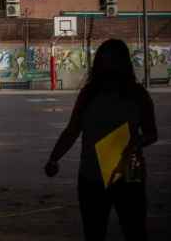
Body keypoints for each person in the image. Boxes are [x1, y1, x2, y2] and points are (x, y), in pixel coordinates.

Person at [44, 39, 158, 241]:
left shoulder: (138, 94)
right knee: (95, 232)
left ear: (123, 63)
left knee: (134, 231)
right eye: (106, 60)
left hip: (128, 174)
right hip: (92, 175)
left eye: (114, 60)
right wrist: (54, 158)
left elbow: (151, 133)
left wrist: (136, 143)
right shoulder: (88, 94)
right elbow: (72, 130)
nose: (110, 65)